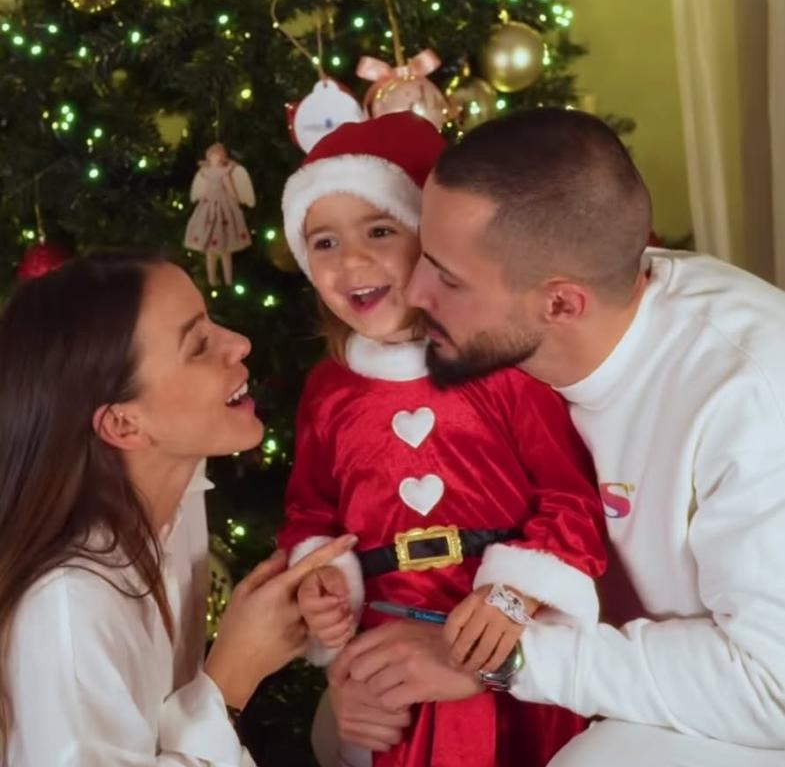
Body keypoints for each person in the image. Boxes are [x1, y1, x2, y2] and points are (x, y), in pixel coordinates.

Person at [329, 108, 785, 766]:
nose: (414, 288)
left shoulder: (749, 401)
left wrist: (501, 658)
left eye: (448, 278)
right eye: (423, 253)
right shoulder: (506, 345)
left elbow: (772, 688)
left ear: (561, 304)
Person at [278, 111, 607, 767]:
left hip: (500, 640)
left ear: (431, 243)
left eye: (379, 230)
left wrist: (514, 594)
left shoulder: (501, 365)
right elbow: (311, 512)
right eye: (324, 242)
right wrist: (321, 581)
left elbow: (572, 498)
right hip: (388, 664)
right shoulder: (328, 389)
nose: (352, 261)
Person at [0, 249, 352, 766]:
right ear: (123, 425)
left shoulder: (177, 492)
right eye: (199, 345)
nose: (240, 343)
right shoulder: (69, 611)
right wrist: (230, 678)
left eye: (213, 322)